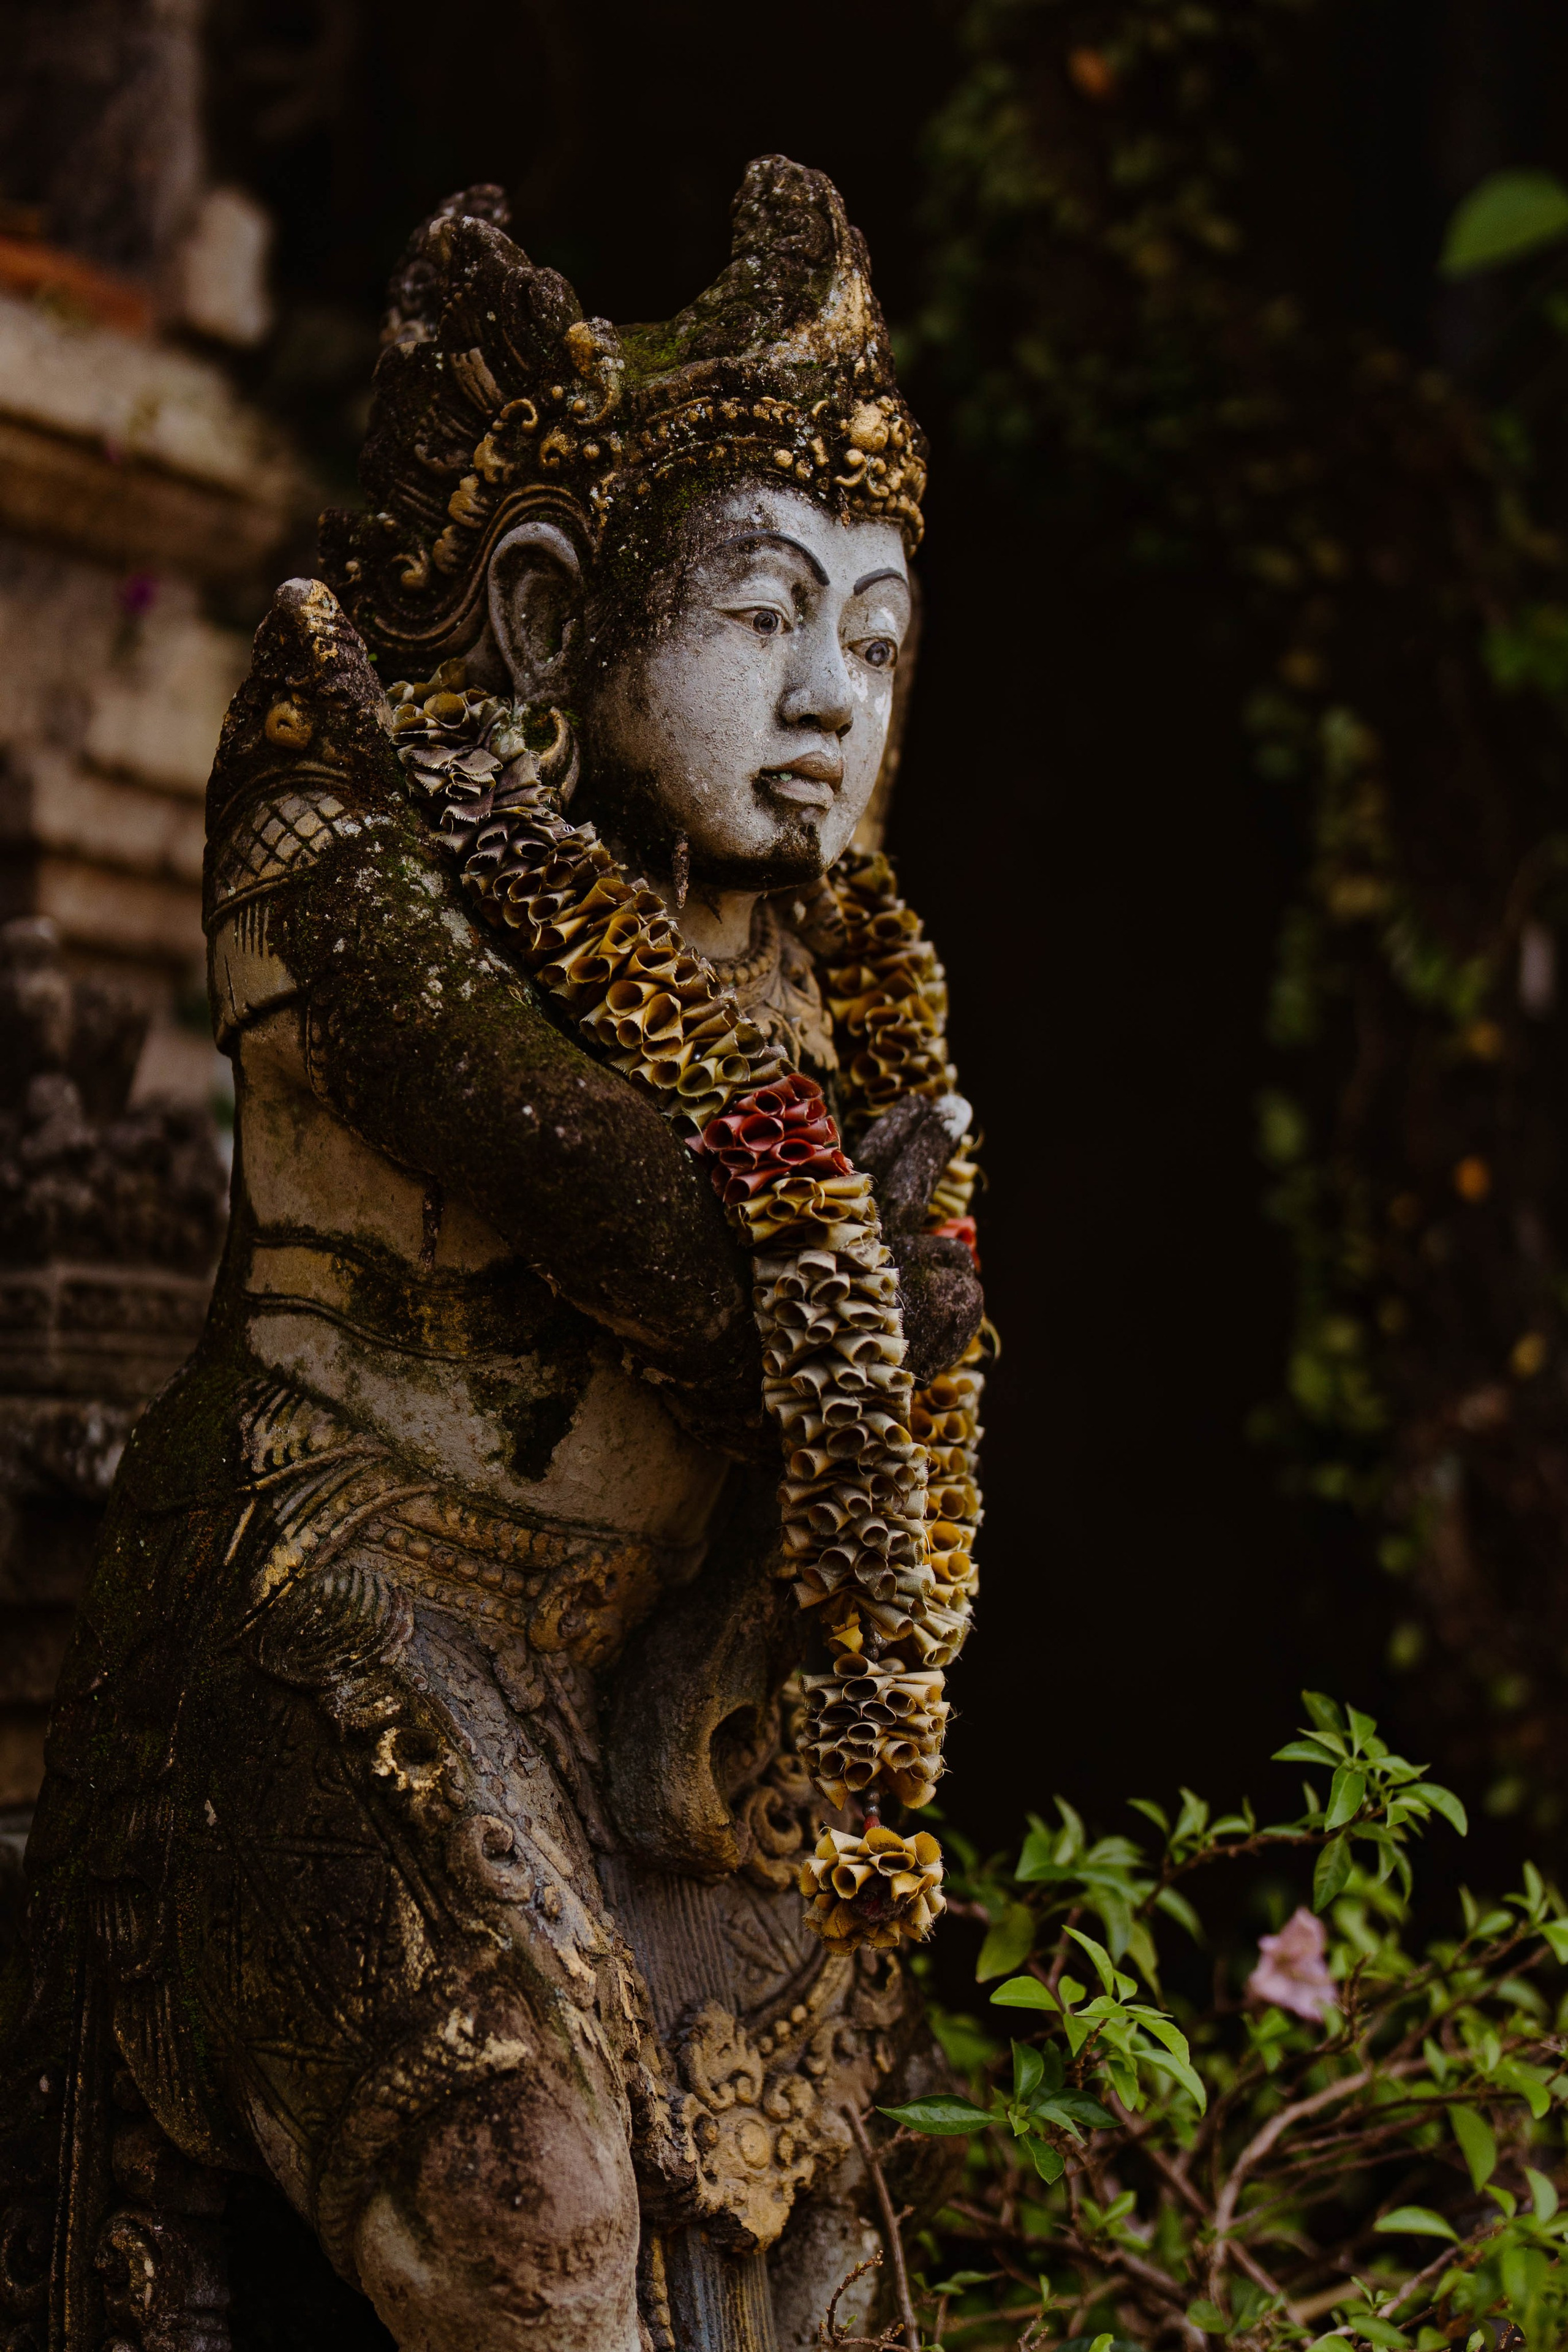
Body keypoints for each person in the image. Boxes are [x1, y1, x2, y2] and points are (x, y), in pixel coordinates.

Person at [3, 158, 985, 2352]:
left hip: (679, 1690)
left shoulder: (826, 968)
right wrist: (867, 1260)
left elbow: (886, 1333)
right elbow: (664, 1235)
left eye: (881, 636)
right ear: (554, 618)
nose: (833, 695)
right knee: (531, 2227)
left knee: (816, 2279)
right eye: (762, 613)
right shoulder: (348, 834)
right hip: (360, 1602)